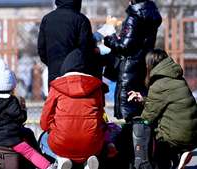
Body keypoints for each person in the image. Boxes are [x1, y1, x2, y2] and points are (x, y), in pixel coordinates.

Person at [103, 0, 162, 168]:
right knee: (139, 113)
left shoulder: (134, 16)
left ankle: (136, 160)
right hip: (141, 68)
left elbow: (125, 46)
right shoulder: (151, 14)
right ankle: (141, 157)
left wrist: (109, 37)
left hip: (129, 71)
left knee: (131, 116)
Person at [128, 49, 197, 169]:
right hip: (192, 134)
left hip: (177, 137)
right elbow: (166, 101)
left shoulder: (159, 84)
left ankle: (154, 164)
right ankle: (179, 155)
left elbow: (147, 117)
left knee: (142, 129)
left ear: (150, 64)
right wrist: (143, 100)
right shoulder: (177, 79)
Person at [40, 49, 108, 169]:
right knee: (97, 139)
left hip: (61, 143)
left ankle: (61, 159)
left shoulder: (56, 86)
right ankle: (88, 161)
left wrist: (53, 128)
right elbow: (100, 116)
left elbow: (44, 122)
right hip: (91, 144)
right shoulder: (96, 87)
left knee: (43, 139)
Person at [0, 61, 56, 169]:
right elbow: (21, 118)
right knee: (29, 152)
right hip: (12, 139)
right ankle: (48, 166)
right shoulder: (12, 101)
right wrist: (23, 109)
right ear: (12, 85)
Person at [38, 0, 110, 85]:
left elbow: (42, 50)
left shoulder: (47, 19)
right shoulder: (81, 19)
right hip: (76, 76)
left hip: (54, 76)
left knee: (56, 97)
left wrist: (53, 64)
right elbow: (86, 50)